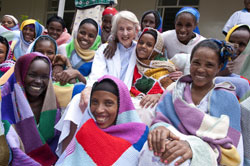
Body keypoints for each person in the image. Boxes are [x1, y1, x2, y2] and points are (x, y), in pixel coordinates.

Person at [138, 39, 243, 166]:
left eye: (209, 65)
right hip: (171, 147)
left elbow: (231, 147)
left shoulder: (227, 99)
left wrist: (193, 146)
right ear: (190, 62)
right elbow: (160, 121)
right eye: (196, 63)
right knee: (150, 149)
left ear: (219, 67)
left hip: (207, 157)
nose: (200, 69)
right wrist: (160, 129)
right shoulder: (175, 90)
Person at [55, 10, 140, 154]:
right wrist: (88, 89)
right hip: (105, 94)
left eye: (129, 29)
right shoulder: (105, 49)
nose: (125, 33)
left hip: (131, 98)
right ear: (115, 31)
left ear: (136, 30)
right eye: (121, 29)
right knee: (78, 100)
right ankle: (67, 154)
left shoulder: (141, 49)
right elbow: (96, 75)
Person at [55, 75, 148, 165]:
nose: (99, 110)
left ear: (121, 106)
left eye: (108, 103)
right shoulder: (86, 131)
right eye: (94, 102)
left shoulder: (139, 137)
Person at [1, 52, 61, 165]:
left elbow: (57, 143)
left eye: (44, 77)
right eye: (32, 75)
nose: (38, 81)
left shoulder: (53, 106)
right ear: (21, 75)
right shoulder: (5, 101)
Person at [130, 28, 176, 125]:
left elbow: (172, 91)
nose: (143, 46)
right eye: (141, 42)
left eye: (149, 45)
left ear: (157, 49)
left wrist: (159, 95)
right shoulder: (132, 60)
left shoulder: (166, 67)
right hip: (133, 100)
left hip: (152, 108)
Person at [58, 18, 101, 85]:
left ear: (96, 39)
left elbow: (93, 82)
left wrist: (77, 74)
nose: (85, 38)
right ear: (76, 32)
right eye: (82, 33)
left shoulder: (98, 58)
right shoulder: (63, 49)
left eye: (91, 36)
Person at [216, 24, 250, 101]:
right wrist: (218, 73)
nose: (234, 46)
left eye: (241, 44)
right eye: (231, 41)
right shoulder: (217, 63)